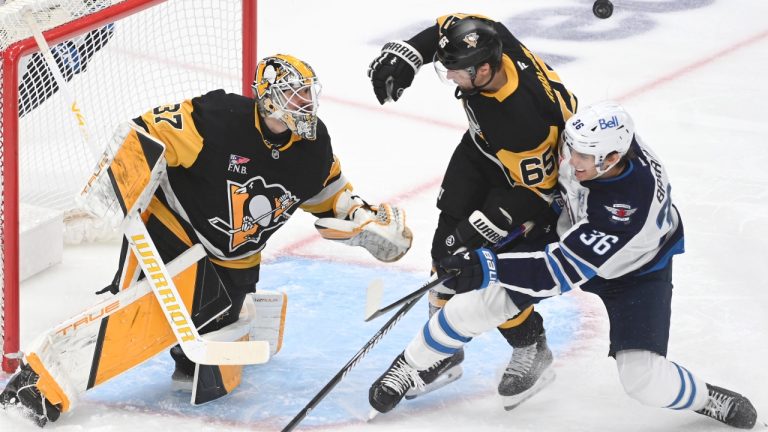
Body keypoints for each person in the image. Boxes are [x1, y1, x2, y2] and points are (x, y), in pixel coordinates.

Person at [0, 53, 413, 426]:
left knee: (211, 362)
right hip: (173, 229)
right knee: (145, 316)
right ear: (270, 98)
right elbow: (150, 130)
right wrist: (121, 175)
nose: (306, 103)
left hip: (235, 259)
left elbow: (330, 194)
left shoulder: (313, 146)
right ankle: (39, 386)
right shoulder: (220, 119)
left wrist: (360, 220)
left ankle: (190, 350)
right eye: (295, 94)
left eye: (308, 93)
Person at [369, 101, 759, 429]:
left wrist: (488, 265)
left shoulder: (625, 206)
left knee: (644, 381)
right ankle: (411, 366)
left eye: (582, 156)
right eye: (572, 149)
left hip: (636, 273)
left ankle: (707, 398)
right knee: (472, 307)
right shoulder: (599, 146)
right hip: (571, 231)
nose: (571, 160)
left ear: (612, 158)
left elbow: (555, 273)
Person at [366, 13, 577, 405]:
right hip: (485, 150)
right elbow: (452, 25)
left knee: (477, 267)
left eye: (456, 70)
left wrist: (481, 228)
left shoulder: (522, 120)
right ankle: (442, 355)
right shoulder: (496, 42)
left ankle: (532, 346)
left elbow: (539, 192)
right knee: (444, 247)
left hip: (527, 186)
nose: (449, 76)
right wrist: (412, 52)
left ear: (483, 70)